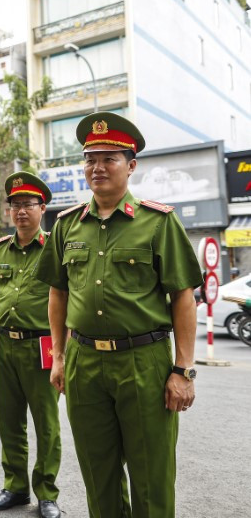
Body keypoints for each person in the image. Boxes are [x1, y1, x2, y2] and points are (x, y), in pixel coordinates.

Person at [34, 112, 202, 518]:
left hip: (143, 362)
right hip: (84, 362)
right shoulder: (66, 224)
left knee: (151, 474)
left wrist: (183, 369)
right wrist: (59, 356)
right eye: (91, 158)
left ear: (131, 165)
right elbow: (57, 292)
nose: (98, 167)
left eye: (110, 158)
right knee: (98, 473)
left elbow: (183, 297)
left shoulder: (158, 221)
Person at [0, 172, 61, 518]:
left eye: (28, 204)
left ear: (42, 208)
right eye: (15, 205)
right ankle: (14, 486)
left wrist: (63, 352)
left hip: (41, 347)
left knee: (47, 424)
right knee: (9, 421)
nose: (21, 211)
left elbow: (66, 300)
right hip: (4, 346)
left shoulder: (55, 249)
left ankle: (47, 493)